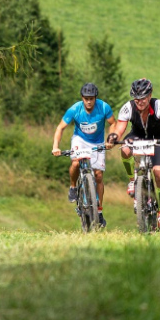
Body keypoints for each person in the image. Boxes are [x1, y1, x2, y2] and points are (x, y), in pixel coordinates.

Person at [106, 78, 160, 230]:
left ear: (150, 95)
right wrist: (113, 137)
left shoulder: (159, 106)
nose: (139, 101)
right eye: (136, 98)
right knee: (125, 149)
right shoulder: (128, 107)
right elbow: (119, 129)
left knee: (159, 174)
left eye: (143, 98)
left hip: (157, 139)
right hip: (137, 136)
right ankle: (132, 180)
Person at [51, 82, 115, 228]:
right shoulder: (74, 109)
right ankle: (73, 187)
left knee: (98, 175)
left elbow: (113, 123)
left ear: (95, 98)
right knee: (75, 163)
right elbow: (60, 128)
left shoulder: (104, 107)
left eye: (91, 98)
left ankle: (98, 211)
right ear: (82, 98)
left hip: (98, 142)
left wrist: (111, 138)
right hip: (80, 140)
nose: (89, 101)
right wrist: (56, 147)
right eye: (86, 98)